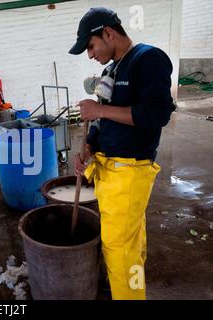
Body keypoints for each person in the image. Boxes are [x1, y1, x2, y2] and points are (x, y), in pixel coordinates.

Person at [69, 7, 175, 300]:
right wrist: (89, 146)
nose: (90, 55)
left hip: (129, 173)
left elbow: (158, 113)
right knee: (131, 242)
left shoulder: (148, 59)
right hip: (110, 172)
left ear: (108, 33)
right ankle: (134, 288)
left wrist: (99, 108)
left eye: (91, 46)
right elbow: (103, 122)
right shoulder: (110, 70)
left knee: (119, 250)